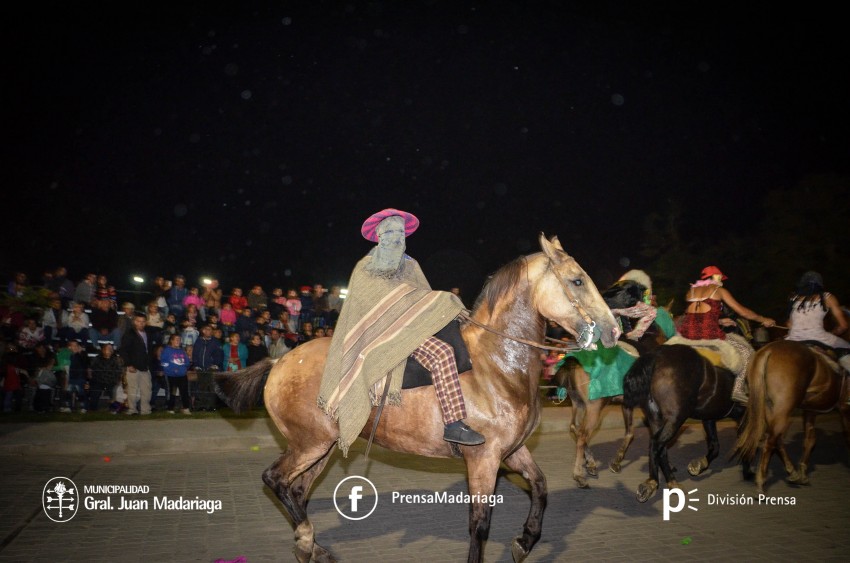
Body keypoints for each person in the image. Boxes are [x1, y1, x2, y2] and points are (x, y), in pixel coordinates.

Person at [318, 208, 483, 453]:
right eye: (390, 232)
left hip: (411, 329)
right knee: (442, 353)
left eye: (400, 232)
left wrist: (441, 304)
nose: (397, 237)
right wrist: (417, 304)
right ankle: (453, 424)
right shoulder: (365, 267)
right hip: (381, 334)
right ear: (380, 236)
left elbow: (422, 297)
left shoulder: (411, 265)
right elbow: (368, 307)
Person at [677, 266, 775, 403]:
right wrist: (763, 319)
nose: (722, 280)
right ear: (712, 277)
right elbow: (743, 312)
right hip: (709, 334)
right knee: (747, 352)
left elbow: (696, 316)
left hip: (686, 334)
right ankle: (738, 390)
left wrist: (719, 321)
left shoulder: (690, 292)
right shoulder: (719, 290)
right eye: (719, 277)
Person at [784, 271, 850, 402]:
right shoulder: (828, 297)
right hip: (818, 337)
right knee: (847, 348)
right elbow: (843, 325)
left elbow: (789, 323)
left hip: (793, 338)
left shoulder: (794, 297)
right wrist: (833, 333)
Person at [118, 312, 153, 415]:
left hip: (145, 366)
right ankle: (132, 409)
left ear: (146, 322)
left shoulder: (148, 333)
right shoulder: (129, 334)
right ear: (134, 322)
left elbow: (149, 349)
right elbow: (123, 350)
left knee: (146, 389)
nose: (141, 323)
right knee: (132, 389)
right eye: (138, 321)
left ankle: (145, 410)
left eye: (143, 321)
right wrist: (129, 364)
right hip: (133, 366)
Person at [160, 334, 192, 414]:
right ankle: (170, 408)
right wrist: (171, 369)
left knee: (184, 392)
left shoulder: (182, 351)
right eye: (176, 339)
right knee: (172, 392)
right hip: (171, 375)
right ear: (171, 340)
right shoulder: (167, 350)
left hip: (182, 375)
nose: (178, 341)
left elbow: (187, 362)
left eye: (179, 339)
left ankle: (185, 408)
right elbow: (163, 362)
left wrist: (184, 369)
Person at [89, 343, 123, 412]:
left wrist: (118, 380)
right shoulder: (97, 358)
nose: (110, 350)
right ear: (103, 350)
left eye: (111, 348)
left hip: (111, 381)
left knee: (113, 391)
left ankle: (114, 408)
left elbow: (120, 371)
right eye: (108, 348)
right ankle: (93, 409)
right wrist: (90, 377)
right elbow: (90, 368)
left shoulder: (116, 359)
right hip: (98, 380)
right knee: (95, 391)